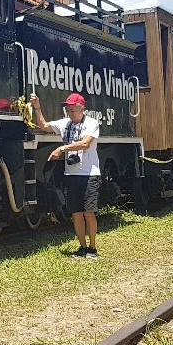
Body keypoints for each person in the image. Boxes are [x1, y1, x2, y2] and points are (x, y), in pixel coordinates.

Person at [30, 91, 101, 258]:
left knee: (89, 213)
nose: (69, 113)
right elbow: (44, 126)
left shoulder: (92, 123)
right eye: (68, 110)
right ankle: (82, 247)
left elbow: (85, 144)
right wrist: (37, 108)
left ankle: (92, 248)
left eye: (72, 110)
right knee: (76, 213)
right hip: (71, 175)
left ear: (82, 108)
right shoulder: (65, 123)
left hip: (89, 174)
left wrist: (62, 148)